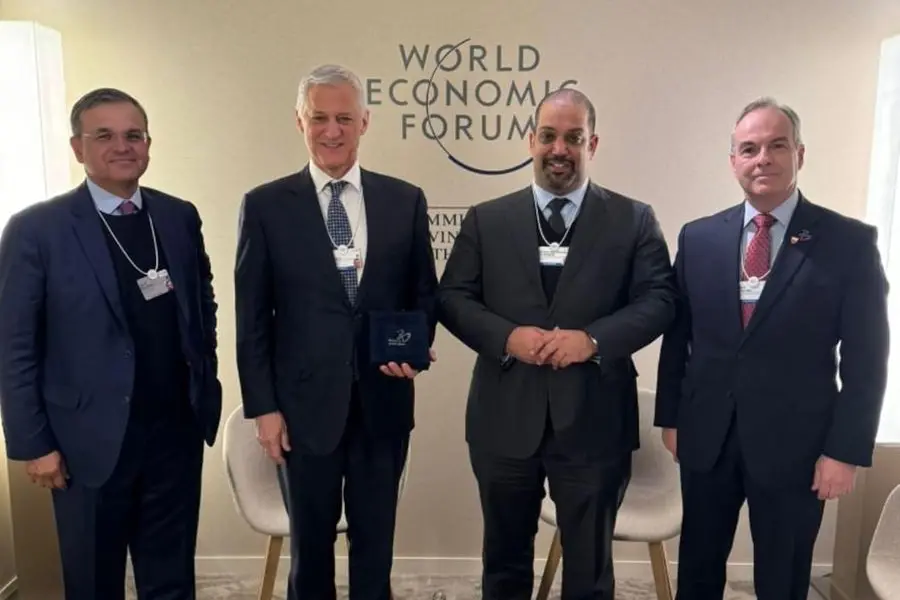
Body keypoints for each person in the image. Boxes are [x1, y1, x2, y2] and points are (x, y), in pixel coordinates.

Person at [437, 88, 678, 600]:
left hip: (596, 422)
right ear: (531, 141)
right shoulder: (486, 219)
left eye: (573, 137)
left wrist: (593, 340)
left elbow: (660, 300)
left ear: (593, 143)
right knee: (504, 566)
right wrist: (507, 337)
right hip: (504, 419)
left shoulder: (634, 219)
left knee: (589, 574)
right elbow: (453, 298)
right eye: (548, 136)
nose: (559, 149)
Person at [655, 97, 890, 599]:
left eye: (776, 146)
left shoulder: (847, 242)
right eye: (749, 148)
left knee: (782, 581)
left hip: (797, 447)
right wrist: (671, 419)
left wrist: (844, 451)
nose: (762, 158)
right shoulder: (698, 239)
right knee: (697, 572)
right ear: (733, 161)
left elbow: (867, 359)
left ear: (799, 154)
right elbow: (678, 340)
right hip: (707, 438)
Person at [0, 87, 222, 600]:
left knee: (172, 580)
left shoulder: (178, 216)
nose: (122, 146)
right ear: (78, 148)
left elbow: (201, 301)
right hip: (85, 442)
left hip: (175, 433)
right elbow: (14, 345)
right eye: (104, 135)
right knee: (94, 582)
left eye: (133, 135)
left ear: (148, 144)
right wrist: (34, 444)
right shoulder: (37, 229)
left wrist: (203, 379)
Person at [234, 63, 438, 600]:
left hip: (383, 403)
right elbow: (251, 321)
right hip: (301, 412)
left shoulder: (404, 200)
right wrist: (263, 409)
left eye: (344, 118)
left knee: (376, 548)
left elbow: (423, 296)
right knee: (310, 553)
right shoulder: (265, 206)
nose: (332, 131)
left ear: (364, 122)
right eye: (319, 118)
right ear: (299, 120)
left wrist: (414, 351)